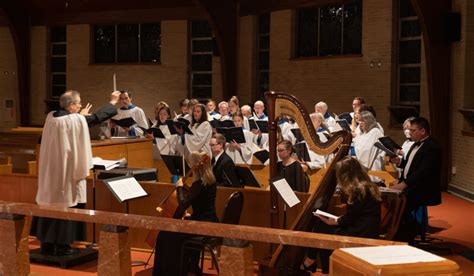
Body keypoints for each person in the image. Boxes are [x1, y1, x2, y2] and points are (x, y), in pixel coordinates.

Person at [34, 90, 120, 256]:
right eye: (79, 103)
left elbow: (79, 120)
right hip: (66, 173)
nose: (81, 106)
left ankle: (47, 245)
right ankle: (62, 246)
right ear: (71, 105)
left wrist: (81, 116)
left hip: (50, 173)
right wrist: (112, 102)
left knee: (49, 205)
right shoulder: (74, 119)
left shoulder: (51, 117)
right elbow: (95, 118)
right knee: (67, 204)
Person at [300, 156, 381, 274]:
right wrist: (336, 220)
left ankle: (313, 263)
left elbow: (351, 218)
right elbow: (355, 216)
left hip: (361, 233)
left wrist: (335, 221)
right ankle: (319, 266)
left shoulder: (358, 190)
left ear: (345, 175)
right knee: (323, 227)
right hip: (366, 228)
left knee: (322, 230)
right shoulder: (367, 186)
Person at [153, 151, 219, 276]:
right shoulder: (211, 181)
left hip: (202, 227)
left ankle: (170, 272)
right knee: (173, 233)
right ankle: (191, 266)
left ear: (194, 165)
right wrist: (192, 216)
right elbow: (203, 205)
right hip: (209, 221)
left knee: (165, 234)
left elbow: (183, 204)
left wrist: (179, 187)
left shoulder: (198, 185)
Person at [390, 117, 442, 243]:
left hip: (423, 188)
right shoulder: (414, 144)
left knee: (402, 204)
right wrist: (400, 163)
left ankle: (405, 237)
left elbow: (423, 171)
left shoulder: (432, 147)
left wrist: (404, 184)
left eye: (412, 130)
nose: (410, 133)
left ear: (422, 131)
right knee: (395, 201)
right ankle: (399, 233)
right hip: (413, 185)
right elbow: (411, 165)